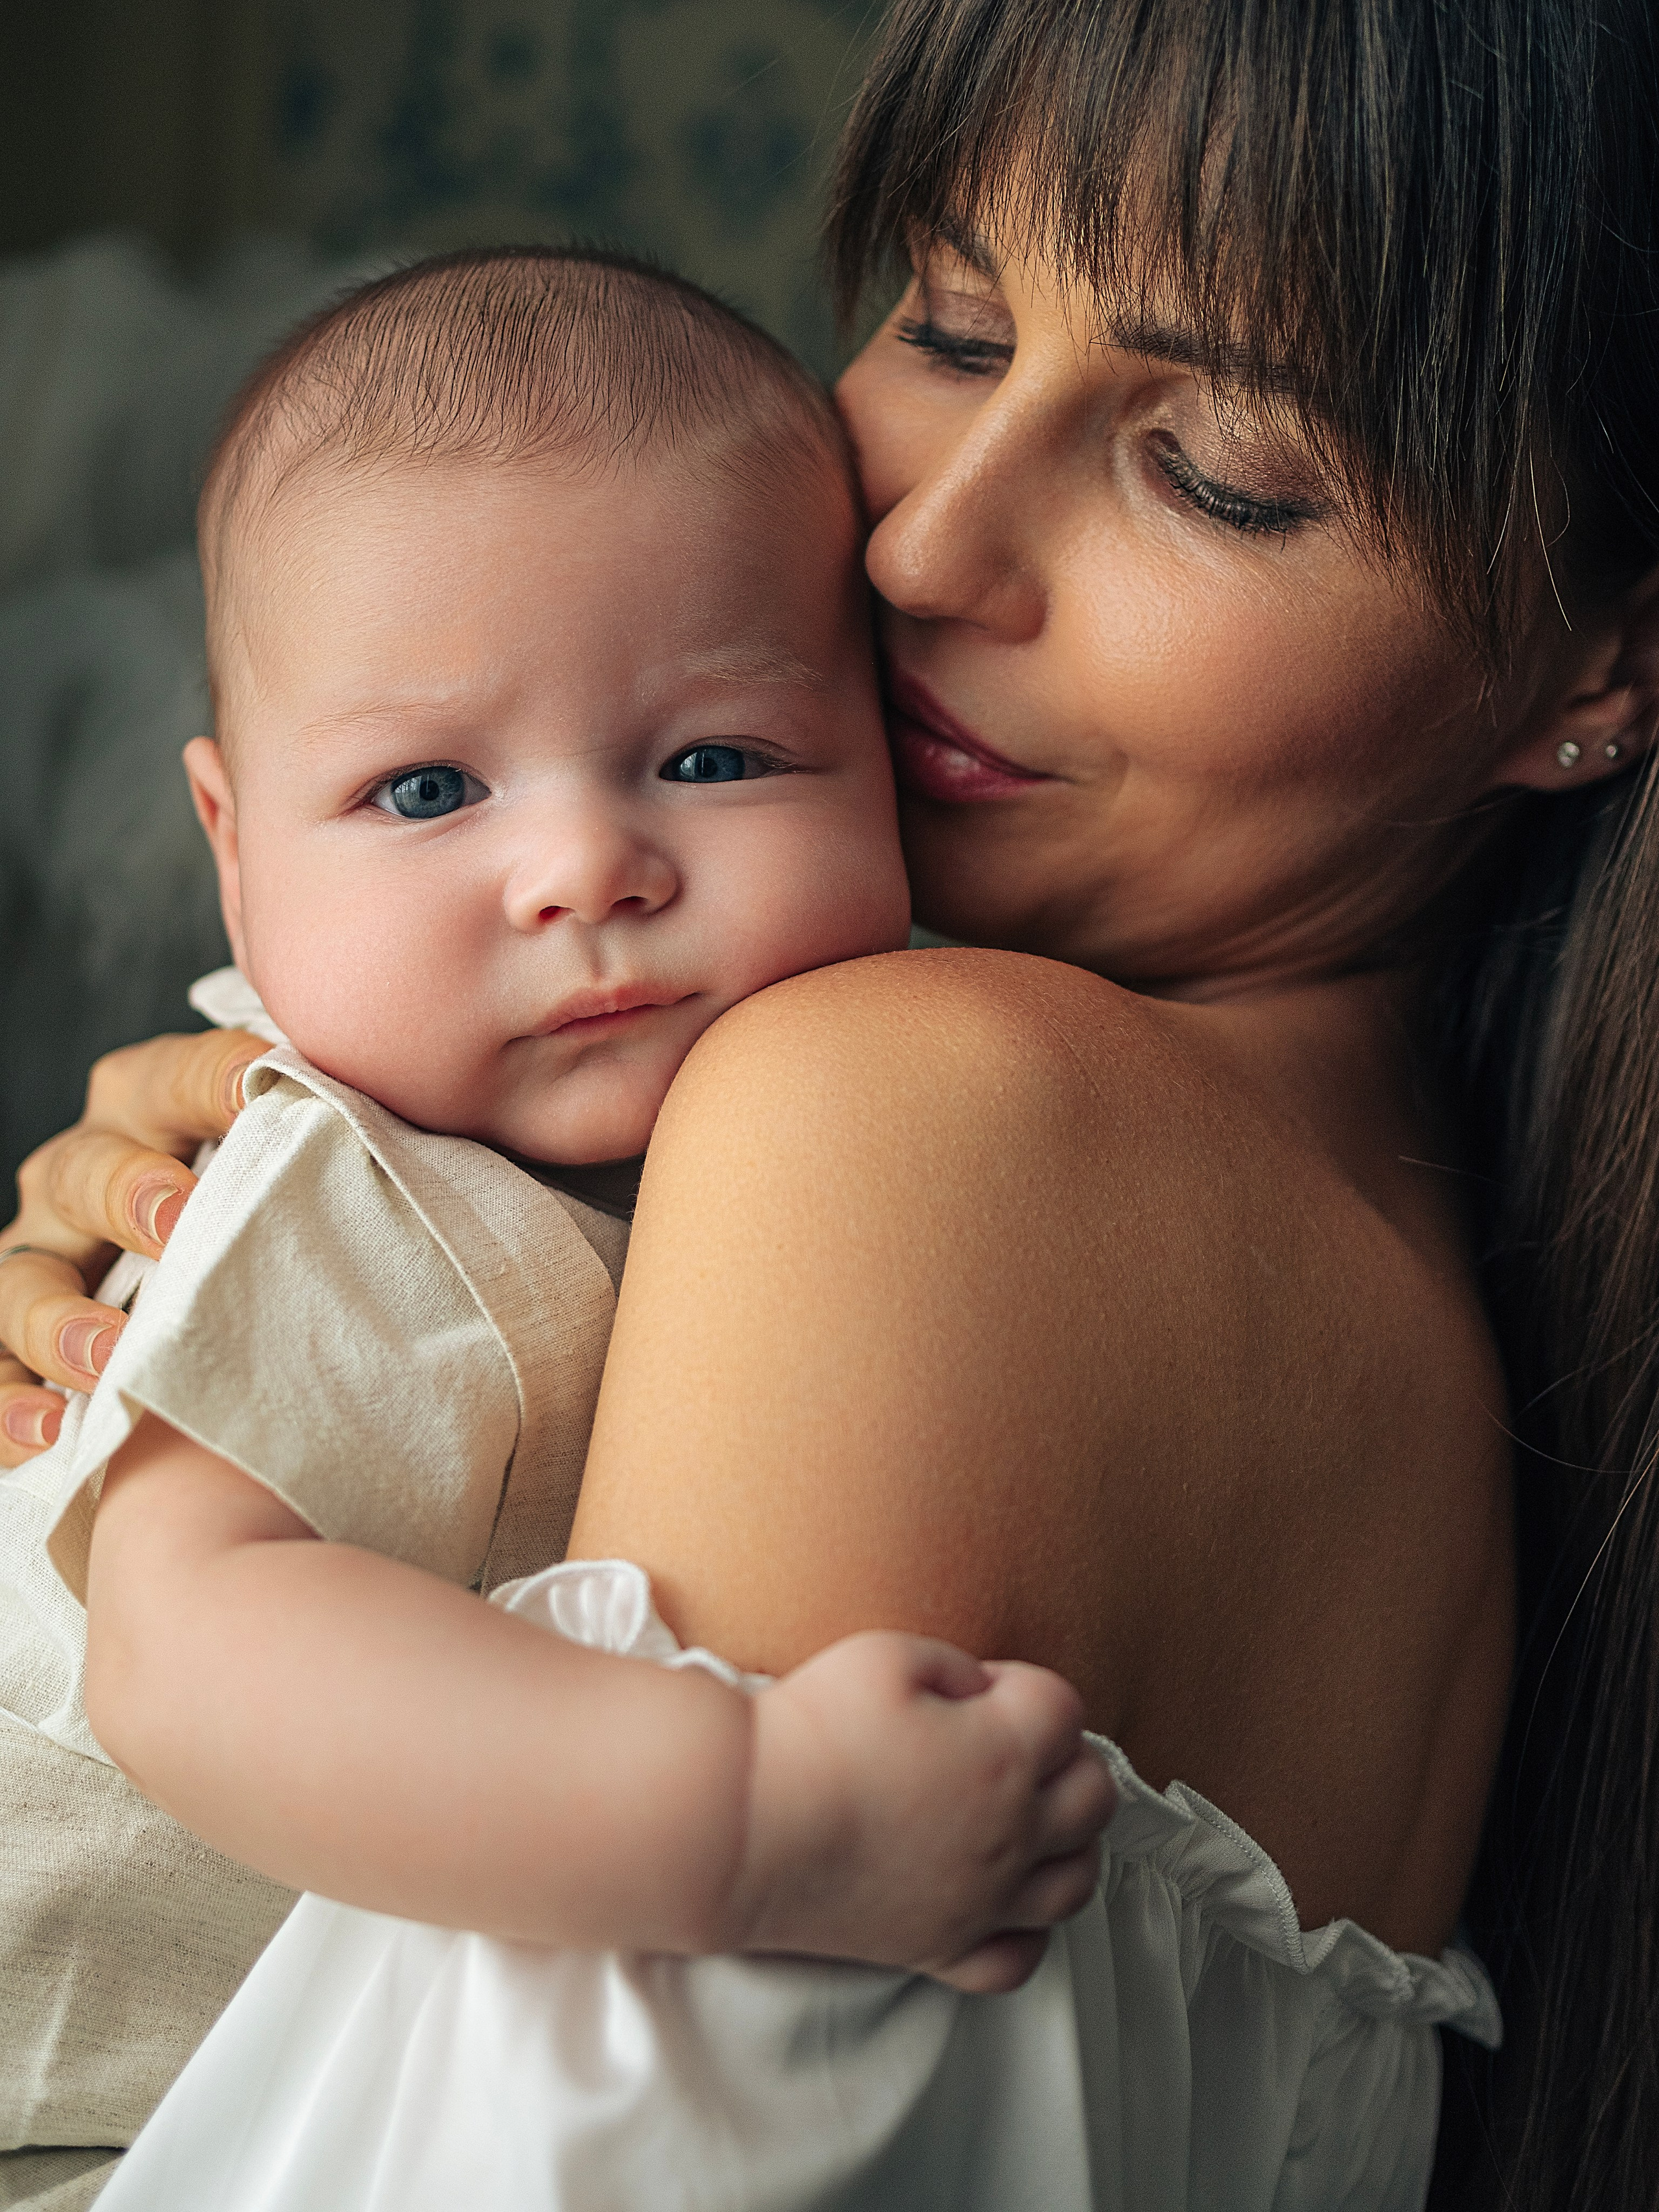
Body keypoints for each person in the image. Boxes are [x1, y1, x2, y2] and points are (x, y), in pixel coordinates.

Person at [5, 0, 1658, 2202]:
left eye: (1227, 472)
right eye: (954, 324)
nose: (919, 552)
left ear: (1601, 663)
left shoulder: (908, 1111)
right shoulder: (1454, 1355)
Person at [0, 247, 1110, 2211]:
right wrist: (757, 1824)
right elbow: (188, 1651)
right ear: (232, 861)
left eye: (716, 759)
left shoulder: (849, 1127)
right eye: (426, 789)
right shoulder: (345, 1192)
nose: (587, 863)